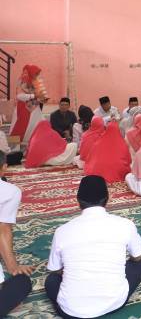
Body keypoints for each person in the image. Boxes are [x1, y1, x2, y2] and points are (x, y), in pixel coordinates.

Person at [45, 175, 141, 318]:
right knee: (140, 264)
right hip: (114, 302)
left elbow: (55, 269)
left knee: (51, 280)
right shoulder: (124, 224)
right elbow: (137, 256)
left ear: (78, 201)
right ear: (107, 199)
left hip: (71, 311)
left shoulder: (62, 231)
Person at [0, 152, 33, 317]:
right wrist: (13, 267)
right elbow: (3, 228)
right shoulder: (9, 192)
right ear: (4, 167)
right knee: (22, 283)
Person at [8, 64, 46, 150]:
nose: (37, 75)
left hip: (34, 109)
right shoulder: (23, 80)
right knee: (20, 129)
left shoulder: (37, 83)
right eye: (36, 73)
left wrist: (41, 98)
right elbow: (19, 96)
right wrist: (34, 96)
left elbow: (42, 98)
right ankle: (15, 151)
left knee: (38, 127)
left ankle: (35, 149)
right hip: (23, 109)